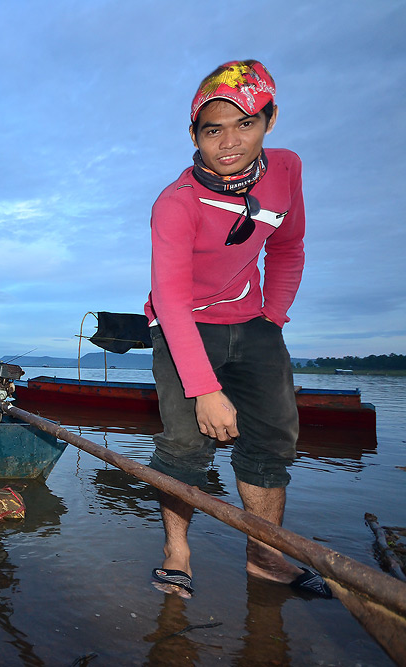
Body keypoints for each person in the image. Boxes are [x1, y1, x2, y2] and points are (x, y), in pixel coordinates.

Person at [143, 60, 330, 599]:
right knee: (184, 446)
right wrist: (204, 389)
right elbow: (172, 303)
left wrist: (274, 314)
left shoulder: (287, 170)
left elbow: (289, 245)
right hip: (183, 325)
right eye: (212, 129)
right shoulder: (175, 204)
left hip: (253, 320)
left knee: (272, 441)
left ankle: (266, 556)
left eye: (244, 123)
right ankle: (177, 549)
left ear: (270, 120)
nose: (228, 142)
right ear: (194, 135)